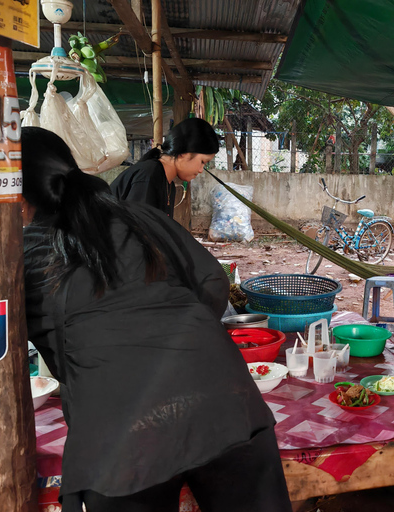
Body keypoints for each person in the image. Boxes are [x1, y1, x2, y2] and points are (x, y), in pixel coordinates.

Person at [22, 127, 291, 512]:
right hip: (224, 400)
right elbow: (212, 280)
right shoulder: (138, 216)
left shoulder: (22, 252)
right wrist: (182, 332)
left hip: (122, 434)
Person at [111, 117, 219, 217]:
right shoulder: (149, 175)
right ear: (184, 153)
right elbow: (138, 230)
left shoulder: (168, 184)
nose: (201, 170)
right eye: (202, 162)